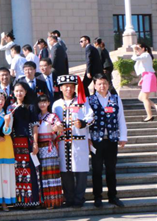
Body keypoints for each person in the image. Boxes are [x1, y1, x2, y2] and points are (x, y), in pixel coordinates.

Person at [52, 75, 94, 207]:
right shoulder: (56, 104)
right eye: (66, 87)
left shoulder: (82, 101)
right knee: (66, 172)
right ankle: (69, 198)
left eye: (71, 86)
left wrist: (82, 123)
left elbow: (91, 117)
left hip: (79, 141)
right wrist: (55, 128)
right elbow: (52, 120)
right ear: (61, 88)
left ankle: (79, 198)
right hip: (63, 141)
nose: (68, 89)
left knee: (81, 171)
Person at [88, 74, 127, 208]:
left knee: (111, 169)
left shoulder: (115, 98)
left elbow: (121, 118)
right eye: (99, 83)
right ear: (94, 85)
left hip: (111, 139)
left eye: (104, 83)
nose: (102, 86)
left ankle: (112, 196)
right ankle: (97, 197)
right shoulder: (90, 100)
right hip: (96, 140)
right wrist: (88, 139)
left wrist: (123, 137)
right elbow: (87, 120)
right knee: (97, 170)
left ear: (109, 84)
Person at [8, 82, 41, 208]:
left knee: (30, 171)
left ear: (26, 92)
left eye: (21, 91)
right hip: (14, 143)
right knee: (17, 171)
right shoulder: (10, 108)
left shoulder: (31, 107)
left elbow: (34, 127)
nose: (19, 93)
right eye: (16, 91)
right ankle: (19, 201)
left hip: (28, 142)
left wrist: (35, 143)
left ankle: (31, 200)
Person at [37, 94, 64, 209]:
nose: (42, 104)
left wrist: (57, 128)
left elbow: (60, 127)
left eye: (45, 102)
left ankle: (53, 201)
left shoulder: (52, 116)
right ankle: (43, 201)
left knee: (51, 175)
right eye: (40, 102)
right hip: (38, 147)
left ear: (48, 103)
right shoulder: (36, 116)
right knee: (41, 176)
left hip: (49, 148)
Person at [131, 43, 157, 122]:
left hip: (148, 76)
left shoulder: (146, 55)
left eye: (139, 48)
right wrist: (142, 78)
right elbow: (144, 68)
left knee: (145, 98)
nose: (137, 50)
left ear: (143, 49)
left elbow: (134, 58)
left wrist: (134, 50)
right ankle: (155, 106)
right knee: (140, 97)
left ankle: (149, 116)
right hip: (147, 76)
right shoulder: (145, 56)